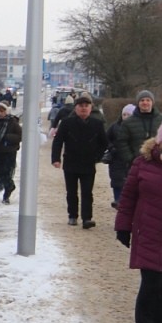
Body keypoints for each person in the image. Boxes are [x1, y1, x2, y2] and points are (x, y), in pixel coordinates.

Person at [114, 135, 162, 323]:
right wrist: (123, 226)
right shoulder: (142, 163)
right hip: (149, 231)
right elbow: (128, 197)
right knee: (151, 281)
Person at [52, 92, 109, 229]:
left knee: (87, 192)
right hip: (71, 162)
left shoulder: (97, 124)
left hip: (88, 163)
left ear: (90, 108)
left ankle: (87, 218)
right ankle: (72, 215)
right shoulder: (67, 123)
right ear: (76, 108)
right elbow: (58, 141)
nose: (83, 108)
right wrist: (56, 158)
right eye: (81, 106)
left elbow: (104, 143)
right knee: (71, 192)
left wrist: (97, 156)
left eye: (86, 106)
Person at [0, 102, 24, 203]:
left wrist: (8, 137)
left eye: (2, 111)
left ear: (6, 111)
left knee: (6, 173)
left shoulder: (12, 122)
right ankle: (0, 184)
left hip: (9, 152)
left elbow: (20, 136)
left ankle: (7, 194)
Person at [118, 90, 160, 171]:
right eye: (142, 100)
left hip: (158, 164)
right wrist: (130, 159)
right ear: (138, 103)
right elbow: (121, 142)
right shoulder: (128, 122)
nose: (145, 103)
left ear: (152, 102)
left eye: (148, 100)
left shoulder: (161, 120)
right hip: (136, 165)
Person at [108, 104, 136, 208]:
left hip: (131, 158)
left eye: (129, 114)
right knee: (117, 181)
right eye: (124, 114)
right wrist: (111, 148)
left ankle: (128, 202)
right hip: (116, 158)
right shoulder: (114, 126)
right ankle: (118, 200)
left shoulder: (136, 127)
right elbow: (106, 139)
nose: (126, 117)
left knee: (130, 181)